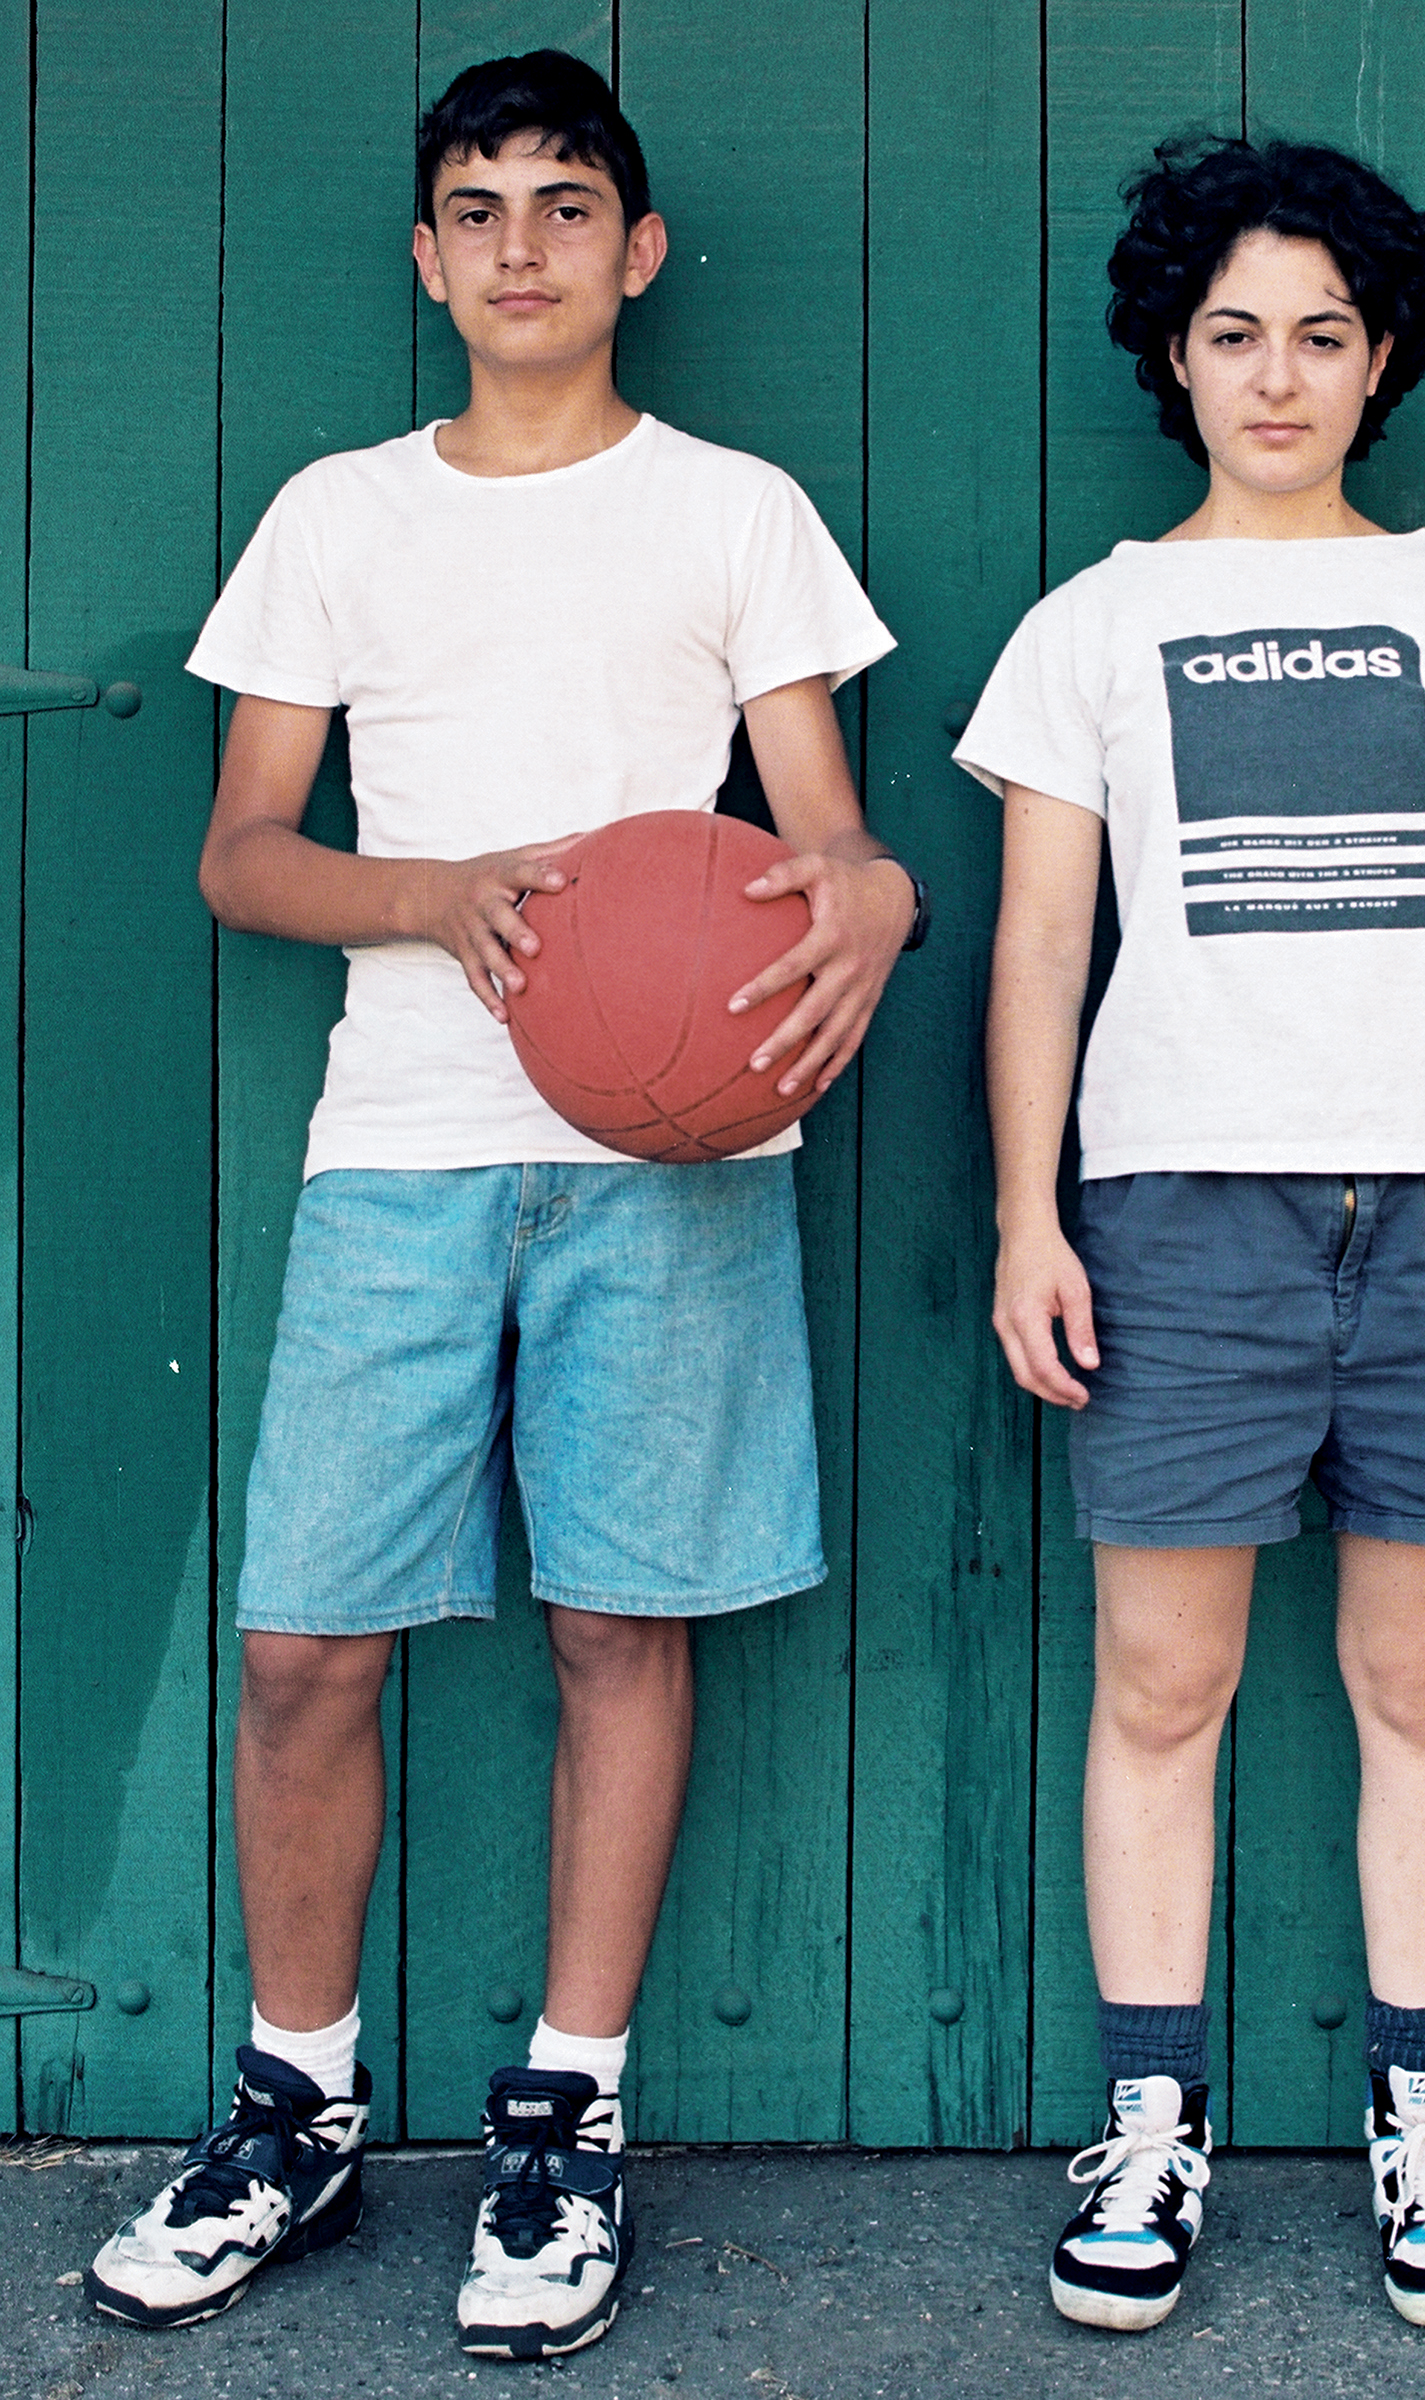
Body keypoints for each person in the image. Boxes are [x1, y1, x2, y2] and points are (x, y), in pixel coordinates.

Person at [87, 49, 921, 2364]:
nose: (522, 243)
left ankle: (568, 2114)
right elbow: (242, 853)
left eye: (567, 203)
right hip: (406, 1144)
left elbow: (826, 839)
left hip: (671, 1156)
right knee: (303, 1647)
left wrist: (873, 892)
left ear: (635, 251)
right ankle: (297, 2104)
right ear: (428, 259)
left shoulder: (732, 512)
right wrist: (434, 892)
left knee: (616, 1630)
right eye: (479, 207)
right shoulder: (341, 517)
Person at [961, 134, 1425, 2336]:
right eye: (1232, 332)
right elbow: (1037, 948)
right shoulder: (1090, 627)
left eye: (1320, 336)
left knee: (1419, 1682)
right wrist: (1027, 1216)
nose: (1274, 374)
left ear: (1378, 358)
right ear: (1172, 353)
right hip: (1175, 1214)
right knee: (1164, 1688)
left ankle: (1423, 2125)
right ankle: (1151, 2130)